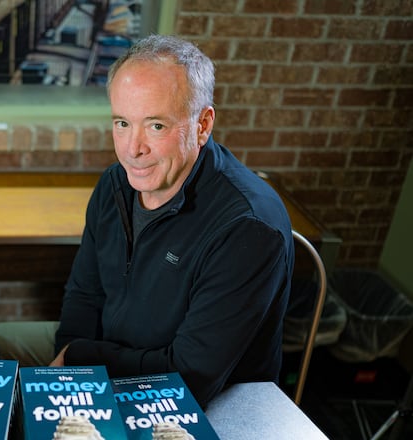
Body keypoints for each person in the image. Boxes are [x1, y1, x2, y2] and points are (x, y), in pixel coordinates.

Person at [50, 34, 295, 407]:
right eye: (122, 123)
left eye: (156, 126)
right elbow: (85, 295)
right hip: (110, 368)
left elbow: (189, 376)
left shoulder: (247, 227)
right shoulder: (115, 184)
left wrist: (81, 358)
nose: (133, 149)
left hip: (205, 403)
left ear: (203, 125)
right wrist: (67, 368)